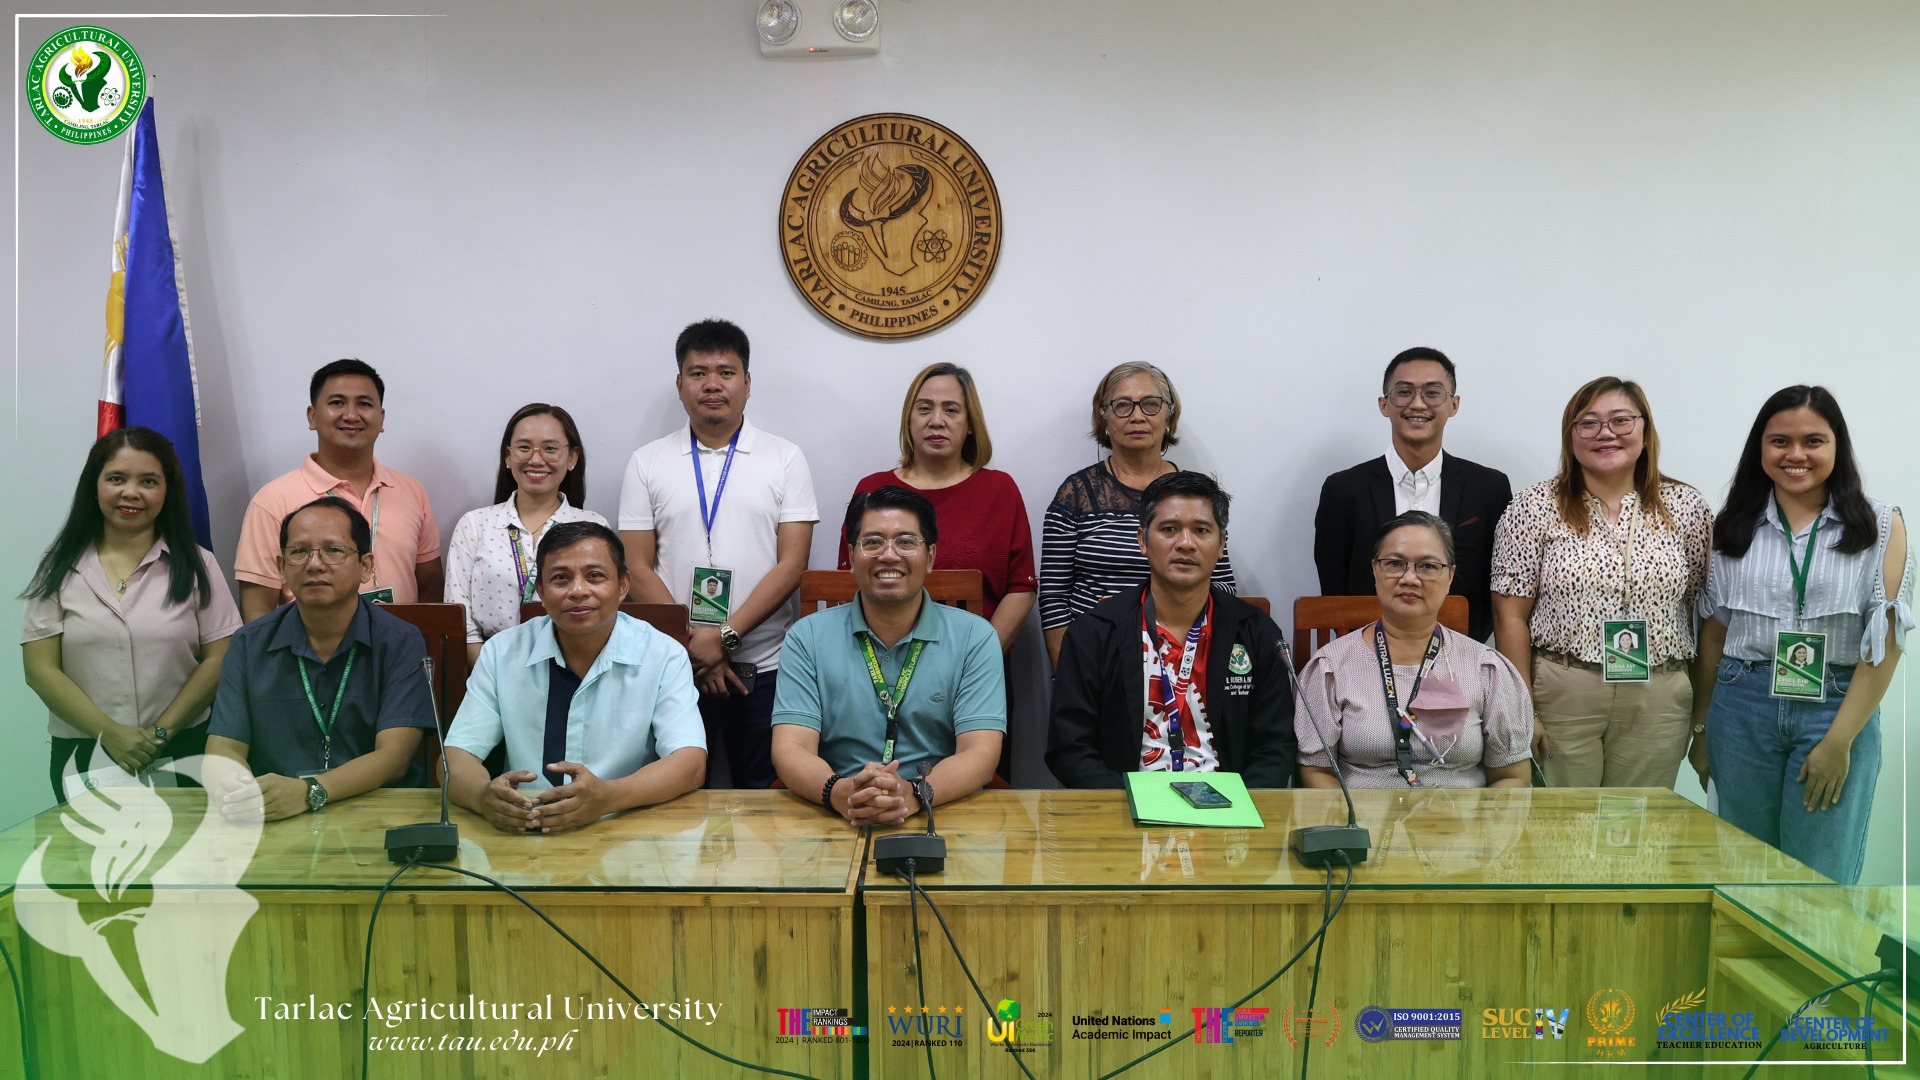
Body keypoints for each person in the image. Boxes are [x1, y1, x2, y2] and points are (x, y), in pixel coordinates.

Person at [1694, 386, 1909, 885]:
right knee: (1743, 871)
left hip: (1834, 708)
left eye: (1813, 440)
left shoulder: (1880, 525)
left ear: (1837, 447)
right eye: (1780, 441)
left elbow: (1887, 643)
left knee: (1821, 877)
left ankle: (1811, 968)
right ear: (1760, 449)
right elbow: (1713, 635)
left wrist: (1839, 741)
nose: (1796, 455)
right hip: (1741, 706)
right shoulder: (1732, 527)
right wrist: (1701, 730)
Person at [618, 319, 817, 788]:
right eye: (698, 372)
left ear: (747, 383)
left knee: (768, 804)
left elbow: (792, 564)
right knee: (673, 799)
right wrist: (694, 645)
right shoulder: (647, 461)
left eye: (726, 372)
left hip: (767, 665)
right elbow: (637, 566)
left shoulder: (784, 458)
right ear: (679, 384)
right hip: (674, 664)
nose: (712, 384)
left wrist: (723, 637)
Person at [1490, 377, 1713, 789]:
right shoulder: (1533, 506)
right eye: (1587, 423)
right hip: (1563, 689)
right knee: (1562, 833)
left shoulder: (1686, 507)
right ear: (1570, 436)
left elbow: (1703, 610)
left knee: (1637, 831)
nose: (1605, 432)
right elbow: (1509, 618)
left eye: (1621, 420)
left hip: (1659, 692)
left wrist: (1701, 719)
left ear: (1645, 431)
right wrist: (1525, 713)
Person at [21, 428, 242, 800]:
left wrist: (160, 734)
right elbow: (41, 670)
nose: (131, 492)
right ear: (95, 485)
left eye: (149, 481)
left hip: (182, 748)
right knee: (87, 859)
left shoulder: (198, 565)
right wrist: (110, 733)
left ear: (166, 491)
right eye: (116, 479)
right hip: (85, 752)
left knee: (186, 857)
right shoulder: (57, 566)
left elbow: (220, 659)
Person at [444, 521, 706, 833]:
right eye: (560, 578)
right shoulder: (501, 653)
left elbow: (689, 763)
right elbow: (455, 757)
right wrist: (482, 797)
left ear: (623, 585)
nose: (578, 591)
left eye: (595, 576)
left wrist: (607, 798)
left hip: (626, 829)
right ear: (540, 591)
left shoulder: (663, 655)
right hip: (525, 831)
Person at [771, 487, 1005, 826]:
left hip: (939, 810)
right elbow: (791, 748)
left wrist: (912, 794)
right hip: (836, 812)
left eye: (907, 541)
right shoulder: (806, 637)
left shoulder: (975, 637)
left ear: (931, 555)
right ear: (852, 556)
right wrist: (841, 793)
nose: (889, 555)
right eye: (873, 542)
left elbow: (980, 753)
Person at [1047, 471, 1297, 788]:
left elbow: (1275, 747)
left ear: (1221, 546)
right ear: (1142, 541)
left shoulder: (1257, 632)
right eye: (1169, 529)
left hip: (1231, 813)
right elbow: (1069, 750)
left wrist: (1240, 811)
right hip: (1127, 809)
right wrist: (1133, 804)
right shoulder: (1093, 633)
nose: (1185, 543)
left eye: (1201, 530)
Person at [207, 497, 436, 820]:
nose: (315, 564)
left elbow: (394, 758)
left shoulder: (400, 641)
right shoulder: (249, 643)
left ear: (366, 566)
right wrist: (242, 796)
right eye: (299, 552)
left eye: (334, 550)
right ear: (281, 568)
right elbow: (224, 748)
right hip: (277, 815)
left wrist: (311, 791)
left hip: (377, 813)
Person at [1295, 512, 1533, 789]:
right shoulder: (1331, 667)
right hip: (1364, 825)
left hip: (1461, 827)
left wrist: (1480, 829)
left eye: (1428, 566)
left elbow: (1512, 775)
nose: (1409, 578)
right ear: (1375, 570)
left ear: (1450, 576)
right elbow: (1316, 770)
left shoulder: (1486, 668)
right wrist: (1353, 829)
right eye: (1395, 564)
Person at [1040, 362, 1236, 667]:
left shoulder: (1196, 496)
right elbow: (1053, 596)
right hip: (1095, 656)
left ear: (1169, 417)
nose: (1137, 415)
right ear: (1104, 420)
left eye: (1150, 404)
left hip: (1187, 656)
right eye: (1122, 406)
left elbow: (1224, 588)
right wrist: (1068, 673)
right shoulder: (1075, 494)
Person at [1313, 347, 1512, 641]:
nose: (1417, 404)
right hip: (1366, 658)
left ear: (1454, 404)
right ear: (1384, 404)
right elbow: (1335, 593)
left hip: (1462, 658)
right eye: (1404, 392)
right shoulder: (1343, 490)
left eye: (1432, 393)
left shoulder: (1489, 488)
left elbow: (1495, 588)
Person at [839, 363, 1036, 653]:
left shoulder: (1000, 490)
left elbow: (1022, 587)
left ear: (970, 424)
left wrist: (979, 662)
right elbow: (847, 583)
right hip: (881, 664)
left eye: (951, 410)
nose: (937, 420)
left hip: (976, 665)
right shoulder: (872, 491)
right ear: (909, 420)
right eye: (924, 409)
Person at [233, 359, 442, 622]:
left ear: (381, 418)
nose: (352, 415)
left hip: (399, 654)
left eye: (364, 404)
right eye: (337, 403)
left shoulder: (412, 491)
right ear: (312, 416)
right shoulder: (273, 500)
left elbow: (431, 588)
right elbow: (257, 611)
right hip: (310, 657)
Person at [444, 403, 607, 663]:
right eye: (524, 447)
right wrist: (495, 677)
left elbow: (603, 609)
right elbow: (459, 617)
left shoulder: (593, 526)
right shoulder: (475, 524)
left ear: (572, 458)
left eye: (550, 448)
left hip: (573, 664)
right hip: (489, 665)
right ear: (508, 457)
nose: (536, 458)